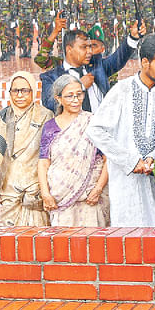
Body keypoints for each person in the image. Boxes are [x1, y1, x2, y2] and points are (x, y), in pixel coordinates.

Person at [86, 35, 155, 227]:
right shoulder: (122, 91)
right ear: (145, 62)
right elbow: (95, 130)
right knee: (131, 239)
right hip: (126, 179)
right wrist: (130, 160)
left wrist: (154, 158)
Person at [0, 71, 53, 226]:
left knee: (38, 239)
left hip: (36, 190)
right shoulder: (4, 117)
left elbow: (52, 155)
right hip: (10, 189)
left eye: (25, 90)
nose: (20, 95)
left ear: (33, 92)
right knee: (10, 241)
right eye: (15, 91)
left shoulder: (45, 116)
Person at [38, 75, 110, 226]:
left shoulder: (93, 122)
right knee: (62, 245)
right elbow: (44, 162)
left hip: (90, 199)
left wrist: (97, 189)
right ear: (58, 99)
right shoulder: (50, 127)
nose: (76, 100)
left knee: (91, 244)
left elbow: (107, 159)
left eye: (79, 94)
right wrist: (45, 194)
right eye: (70, 96)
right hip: (59, 199)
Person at [40, 17, 141, 112]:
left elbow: (119, 58)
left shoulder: (97, 65)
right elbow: (50, 104)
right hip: (73, 129)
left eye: (90, 47)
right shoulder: (51, 77)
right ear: (69, 49)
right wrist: (80, 86)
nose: (89, 51)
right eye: (84, 47)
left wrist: (133, 38)